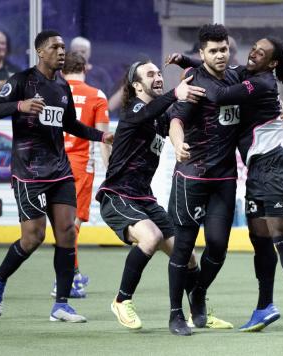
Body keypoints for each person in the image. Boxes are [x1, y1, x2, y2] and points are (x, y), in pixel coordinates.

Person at [169, 37, 283, 336]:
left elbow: (220, 94)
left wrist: (189, 82)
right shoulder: (247, 74)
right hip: (256, 172)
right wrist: (188, 63)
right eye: (254, 48)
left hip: (274, 167)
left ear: (272, 63)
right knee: (259, 240)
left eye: (261, 52)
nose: (254, 52)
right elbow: (217, 67)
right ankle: (265, 306)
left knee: (280, 237)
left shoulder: (262, 83)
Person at [0, 30, 114, 323]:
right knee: (34, 238)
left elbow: (70, 124)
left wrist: (101, 136)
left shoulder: (62, 86)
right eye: (55, 47)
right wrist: (20, 105)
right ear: (40, 52)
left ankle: (61, 305)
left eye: (63, 47)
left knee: (67, 231)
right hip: (28, 172)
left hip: (59, 169)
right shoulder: (21, 81)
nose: (61, 51)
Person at [97, 60, 231, 332]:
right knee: (151, 237)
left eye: (159, 72)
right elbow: (145, 114)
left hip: (145, 199)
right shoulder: (135, 109)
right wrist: (175, 94)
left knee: (189, 255)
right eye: (150, 74)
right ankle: (122, 300)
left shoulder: (161, 115)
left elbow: (175, 121)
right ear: (136, 85)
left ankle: (197, 312)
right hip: (118, 195)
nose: (158, 77)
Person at [166, 23, 241, 336]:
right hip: (191, 176)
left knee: (218, 248)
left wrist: (278, 105)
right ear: (202, 53)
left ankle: (198, 293)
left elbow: (261, 90)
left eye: (223, 49)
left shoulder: (237, 77)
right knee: (183, 248)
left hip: (224, 178)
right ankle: (175, 314)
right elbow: (176, 120)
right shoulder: (195, 84)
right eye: (213, 51)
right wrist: (177, 143)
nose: (220, 55)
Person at [49, 51, 112, 299]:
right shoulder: (96, 96)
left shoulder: (51, 92)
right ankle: (63, 280)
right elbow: (103, 140)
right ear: (85, 68)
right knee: (72, 225)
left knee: (61, 224)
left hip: (50, 164)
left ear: (62, 71)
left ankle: (72, 272)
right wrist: (111, 171)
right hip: (78, 166)